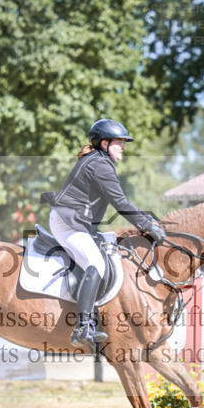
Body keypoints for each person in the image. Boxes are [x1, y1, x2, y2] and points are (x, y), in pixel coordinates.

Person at [41, 119, 167, 346]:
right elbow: (120, 202)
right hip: (68, 223)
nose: (124, 147)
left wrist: (150, 221)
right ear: (105, 143)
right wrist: (148, 226)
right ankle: (82, 328)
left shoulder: (99, 161)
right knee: (96, 264)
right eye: (120, 142)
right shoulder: (100, 165)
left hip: (80, 223)